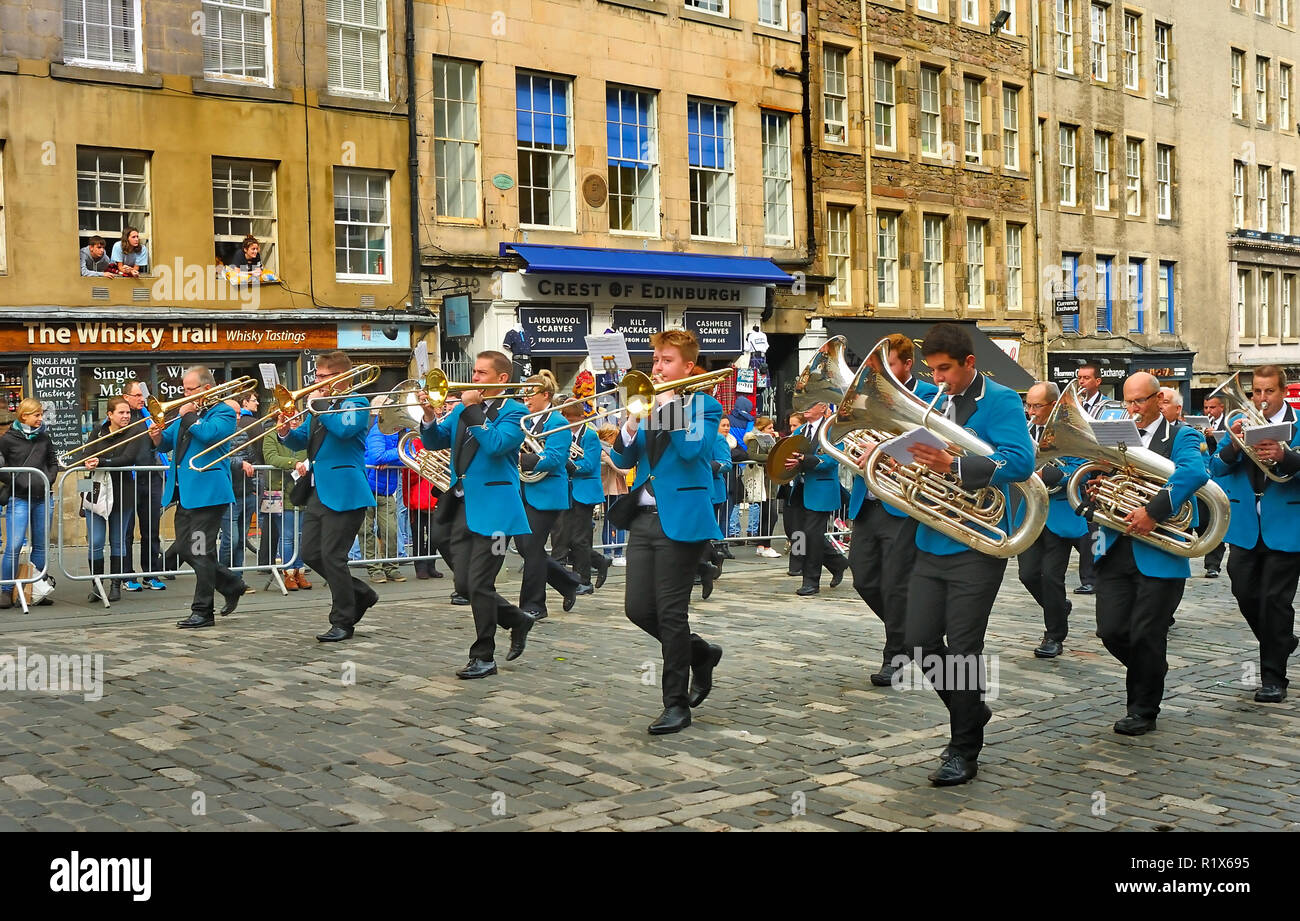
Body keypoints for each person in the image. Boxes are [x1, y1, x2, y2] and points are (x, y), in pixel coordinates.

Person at [904, 323, 1036, 786]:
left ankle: (963, 749)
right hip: (932, 537)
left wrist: (956, 465)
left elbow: (1021, 461)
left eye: (946, 370)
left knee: (963, 648)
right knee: (918, 643)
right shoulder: (927, 397)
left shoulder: (1001, 400)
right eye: (933, 369)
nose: (939, 379)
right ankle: (973, 709)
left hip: (978, 543)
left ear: (969, 364)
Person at [610, 328, 724, 735]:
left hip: (683, 520)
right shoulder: (647, 403)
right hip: (643, 518)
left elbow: (694, 450)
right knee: (638, 609)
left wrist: (668, 405)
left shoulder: (704, 406)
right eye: (656, 360)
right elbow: (623, 457)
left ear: (688, 367)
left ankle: (676, 704)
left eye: (667, 361)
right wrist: (629, 422)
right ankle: (701, 653)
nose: (657, 367)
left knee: (672, 614)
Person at [1090, 371, 1209, 736]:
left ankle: (1143, 709)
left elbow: (1193, 473)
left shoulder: (1182, 435)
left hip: (1159, 552)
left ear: (1159, 400)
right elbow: (1094, 469)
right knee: (1110, 631)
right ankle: (1152, 668)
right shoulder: (1115, 433)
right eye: (1128, 400)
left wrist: (1152, 511)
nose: (1133, 408)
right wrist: (1099, 481)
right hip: (1114, 546)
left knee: (1146, 634)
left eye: (1140, 400)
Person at [417, 350, 537, 679]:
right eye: (474, 372)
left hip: (498, 511)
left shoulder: (515, 411)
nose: (474, 379)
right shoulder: (461, 410)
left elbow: (497, 445)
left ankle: (484, 655)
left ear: (501, 379)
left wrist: (471, 409)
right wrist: (428, 416)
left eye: (482, 373)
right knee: (466, 584)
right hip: (461, 506)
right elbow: (434, 441)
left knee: (481, 584)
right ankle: (516, 618)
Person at [845, 333, 940, 686]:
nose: (879, 372)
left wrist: (883, 446)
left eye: (888, 366)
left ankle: (896, 653)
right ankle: (910, 632)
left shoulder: (929, 395)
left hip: (903, 501)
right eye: (875, 366)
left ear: (907, 364)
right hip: (868, 500)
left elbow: (929, 438)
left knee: (896, 584)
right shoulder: (868, 397)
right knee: (864, 578)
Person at [1209, 365, 1300, 704]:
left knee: (1276, 602)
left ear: (1283, 391)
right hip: (1246, 526)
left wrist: (1286, 456)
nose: (1261, 399)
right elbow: (1215, 469)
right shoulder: (1241, 423)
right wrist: (1232, 444)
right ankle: (1281, 642)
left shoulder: (1299, 422)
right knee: (1245, 593)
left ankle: (1273, 679)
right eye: (1256, 392)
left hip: (1287, 524)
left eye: (1269, 392)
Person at [276, 352, 376, 641]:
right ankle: (361, 593)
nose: (316, 381)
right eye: (316, 376)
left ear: (341, 377)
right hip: (319, 490)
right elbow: (304, 439)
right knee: (310, 553)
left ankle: (342, 621)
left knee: (333, 556)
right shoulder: (320, 408)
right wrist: (286, 432)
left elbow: (345, 430)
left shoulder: (356, 402)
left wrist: (318, 405)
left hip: (346, 491)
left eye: (322, 377)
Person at [147, 367, 248, 629]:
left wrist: (189, 414)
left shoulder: (223, 412)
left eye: (189, 389)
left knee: (201, 551)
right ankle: (231, 583)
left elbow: (209, 434)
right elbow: (167, 442)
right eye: (184, 389)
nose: (184, 394)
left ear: (206, 389)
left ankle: (203, 611)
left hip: (209, 493)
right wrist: (157, 435)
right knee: (186, 548)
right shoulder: (188, 414)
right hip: (185, 494)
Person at [1017, 381, 1088, 659]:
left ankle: (1054, 635)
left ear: (1053, 405)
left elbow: (1081, 469)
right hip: (1031, 512)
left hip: (1058, 511)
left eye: (1036, 406)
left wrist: (1053, 475)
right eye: (1028, 405)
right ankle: (1057, 606)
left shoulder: (1070, 432)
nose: (1031, 411)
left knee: (1050, 575)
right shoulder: (1023, 431)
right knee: (1028, 574)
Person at [516, 371, 581, 618]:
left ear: (546, 395)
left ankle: (534, 605)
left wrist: (521, 458)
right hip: (526, 489)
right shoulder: (525, 421)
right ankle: (567, 582)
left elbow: (554, 458)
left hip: (547, 493)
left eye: (530, 394)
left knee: (532, 547)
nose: (526, 399)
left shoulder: (558, 423)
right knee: (525, 548)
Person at [83, 396, 151, 602]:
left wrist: (102, 461)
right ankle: (96, 585)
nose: (126, 416)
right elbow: (86, 454)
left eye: (128, 412)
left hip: (123, 491)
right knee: (95, 541)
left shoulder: (136, 431)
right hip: (95, 489)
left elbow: (128, 459)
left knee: (117, 541)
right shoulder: (98, 430)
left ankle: (115, 585)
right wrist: (82, 498)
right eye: (121, 413)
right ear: (109, 415)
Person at [781, 399, 849, 596]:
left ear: (822, 407)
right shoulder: (799, 431)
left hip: (821, 490)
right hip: (800, 489)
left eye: (811, 404)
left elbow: (833, 458)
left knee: (811, 535)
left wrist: (806, 460)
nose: (806, 408)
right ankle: (838, 563)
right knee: (800, 533)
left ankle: (811, 581)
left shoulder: (831, 429)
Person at [0, 400, 60, 610]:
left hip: (43, 496)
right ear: (24, 416)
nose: (40, 418)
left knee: (41, 546)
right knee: (14, 545)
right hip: (19, 498)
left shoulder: (44, 437)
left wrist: (48, 478)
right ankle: (7, 590)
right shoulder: (7, 439)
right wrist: (18, 481)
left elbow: (53, 461)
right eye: (36, 415)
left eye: (41, 414)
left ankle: (36, 588)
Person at [550, 400, 611, 592]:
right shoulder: (561, 433)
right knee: (563, 538)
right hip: (564, 490)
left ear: (581, 418)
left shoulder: (590, 435)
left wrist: (567, 464)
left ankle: (583, 581)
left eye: (572, 418)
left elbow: (589, 465)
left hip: (584, 490)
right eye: (565, 417)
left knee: (580, 538)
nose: (568, 421)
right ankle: (599, 561)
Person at [121, 381, 166, 590]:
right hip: (129, 479)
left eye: (142, 395)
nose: (141, 399)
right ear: (126, 397)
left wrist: (157, 436)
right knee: (127, 532)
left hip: (151, 477)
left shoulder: (150, 416)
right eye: (137, 395)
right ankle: (126, 575)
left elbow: (161, 446)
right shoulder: (121, 416)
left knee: (151, 530)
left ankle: (151, 573)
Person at [360, 396, 407, 584]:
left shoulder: (397, 433)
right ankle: (374, 568)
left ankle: (390, 566)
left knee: (391, 530)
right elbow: (378, 456)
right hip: (367, 488)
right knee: (366, 531)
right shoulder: (378, 430)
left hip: (386, 489)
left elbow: (410, 453)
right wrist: (399, 453)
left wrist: (396, 456)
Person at [218, 389, 263, 580]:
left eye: (238, 413)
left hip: (245, 492)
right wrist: (239, 464)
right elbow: (219, 460)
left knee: (240, 540)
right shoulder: (217, 433)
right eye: (233, 414)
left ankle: (238, 578)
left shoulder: (243, 433)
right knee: (231, 539)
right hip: (228, 494)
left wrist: (255, 489)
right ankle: (221, 576)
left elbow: (253, 460)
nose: (237, 417)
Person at [261, 427, 312, 591]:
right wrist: (293, 463)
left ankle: (299, 571)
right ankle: (288, 572)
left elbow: (309, 455)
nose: (295, 420)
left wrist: (305, 464)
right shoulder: (270, 436)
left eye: (297, 417)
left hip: (301, 491)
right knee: (287, 536)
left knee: (301, 535)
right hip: (280, 492)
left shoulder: (302, 436)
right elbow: (271, 457)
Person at [1072, 362, 1105, 596]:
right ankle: (1089, 575)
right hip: (1078, 471)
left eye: (1085, 378)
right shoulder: (1073, 404)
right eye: (1079, 378)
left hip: (1098, 472)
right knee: (1085, 528)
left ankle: (1094, 576)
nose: (1081, 382)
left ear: (1098, 381)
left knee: (1096, 528)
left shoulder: (1108, 407)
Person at [400, 432, 444, 580]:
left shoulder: (438, 443)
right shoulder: (414, 444)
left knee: (434, 535)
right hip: (417, 497)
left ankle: (431, 565)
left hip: (433, 496)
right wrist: (427, 464)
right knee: (418, 534)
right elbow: (409, 472)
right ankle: (420, 567)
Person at [1201, 394, 1230, 576]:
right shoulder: (1203, 423)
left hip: (1222, 476)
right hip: (1206, 475)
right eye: (1206, 408)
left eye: (1212, 408)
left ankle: (1213, 564)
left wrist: (1214, 436)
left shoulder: (1228, 424)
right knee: (1205, 519)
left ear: (1221, 407)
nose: (1208, 411)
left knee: (1216, 517)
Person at [743, 416, 780, 557]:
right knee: (770, 515)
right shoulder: (754, 439)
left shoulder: (771, 439)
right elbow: (752, 454)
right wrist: (771, 458)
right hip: (762, 480)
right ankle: (765, 545)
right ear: (762, 428)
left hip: (770, 480)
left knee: (768, 514)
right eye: (769, 428)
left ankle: (762, 544)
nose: (772, 430)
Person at [599, 424, 631, 566]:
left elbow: (625, 469)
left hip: (617, 487)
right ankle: (612, 553)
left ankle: (615, 553)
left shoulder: (611, 450)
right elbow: (623, 470)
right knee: (610, 521)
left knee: (615, 520)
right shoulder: (603, 450)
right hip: (610, 488)